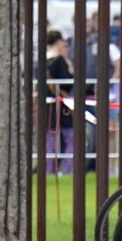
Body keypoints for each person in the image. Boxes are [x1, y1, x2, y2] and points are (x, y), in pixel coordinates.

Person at [45, 29, 74, 175]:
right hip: (62, 104)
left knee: (50, 139)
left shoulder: (43, 60)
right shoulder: (59, 60)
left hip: (48, 104)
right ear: (58, 42)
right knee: (70, 137)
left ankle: (48, 169)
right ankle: (69, 169)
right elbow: (68, 82)